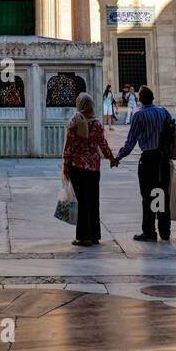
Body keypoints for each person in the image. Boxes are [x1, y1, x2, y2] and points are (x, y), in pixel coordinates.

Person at [116, 85, 174, 243]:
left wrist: (118, 157)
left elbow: (131, 141)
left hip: (148, 159)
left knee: (148, 195)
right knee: (161, 193)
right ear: (153, 97)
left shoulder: (139, 115)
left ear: (139, 99)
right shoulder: (163, 112)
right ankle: (165, 230)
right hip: (162, 159)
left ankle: (149, 231)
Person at [61, 91, 118, 247]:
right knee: (93, 201)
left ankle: (83, 237)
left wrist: (65, 165)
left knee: (82, 201)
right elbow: (103, 144)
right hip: (93, 169)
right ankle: (94, 235)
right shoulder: (97, 123)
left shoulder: (74, 121)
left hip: (77, 167)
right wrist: (112, 158)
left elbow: (69, 146)